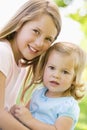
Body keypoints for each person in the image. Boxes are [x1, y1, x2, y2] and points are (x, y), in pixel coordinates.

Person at [8, 42, 87, 130]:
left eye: (65, 72)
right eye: (52, 68)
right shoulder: (38, 93)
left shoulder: (67, 106)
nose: (56, 75)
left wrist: (30, 120)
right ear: (44, 68)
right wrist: (17, 113)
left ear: (74, 79)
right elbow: (25, 114)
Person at [0, 0, 61, 110]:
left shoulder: (21, 65)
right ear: (20, 24)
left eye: (48, 39)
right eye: (36, 31)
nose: (39, 43)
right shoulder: (2, 53)